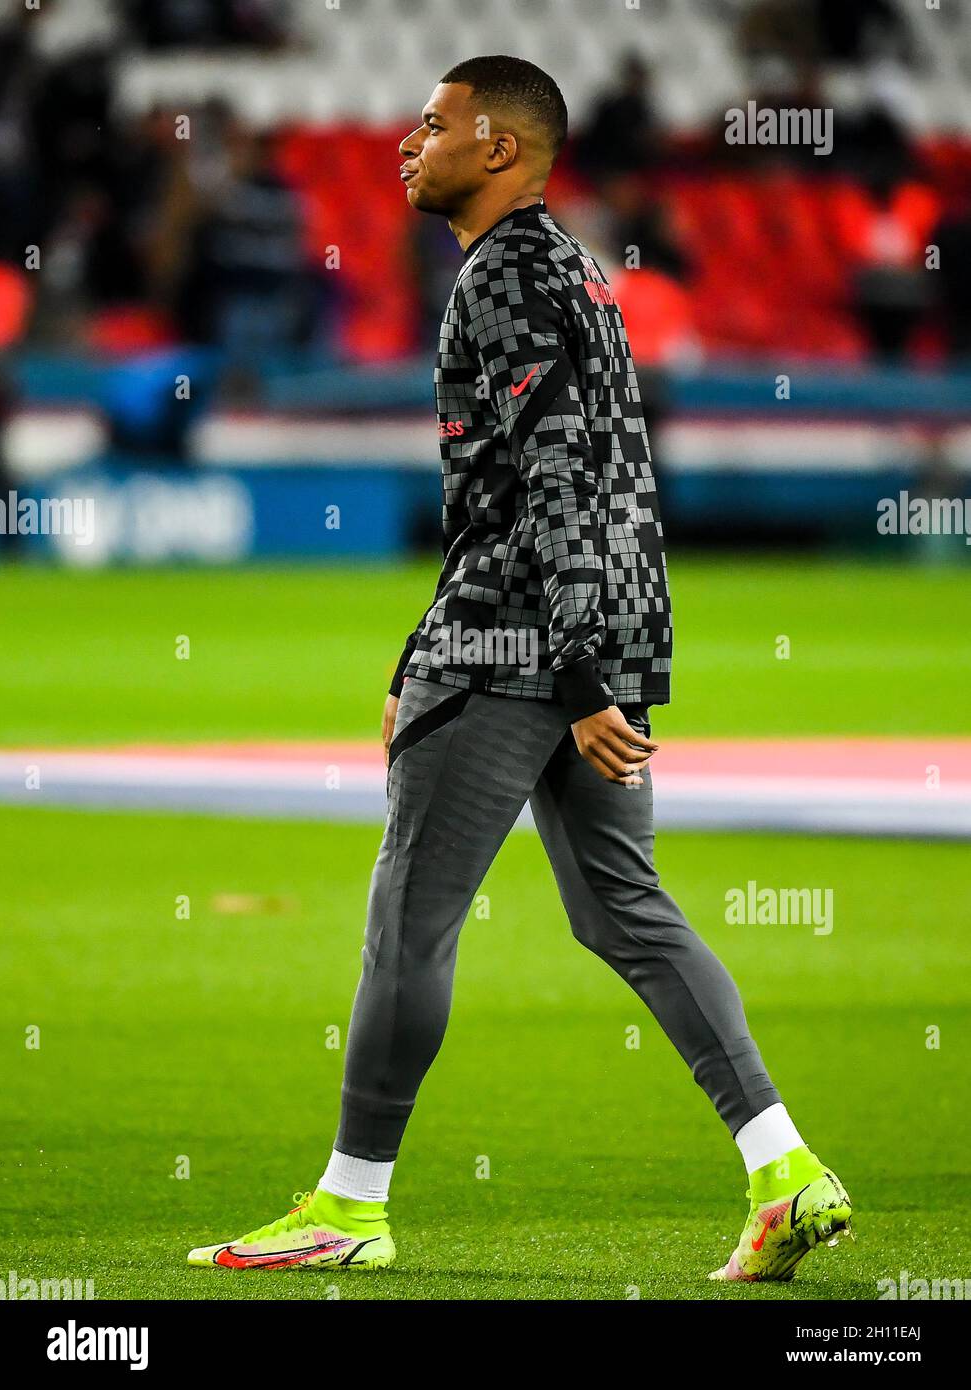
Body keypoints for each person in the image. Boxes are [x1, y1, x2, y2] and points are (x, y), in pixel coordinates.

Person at [188, 55, 852, 1284]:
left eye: (433, 126)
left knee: (407, 921)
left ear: (498, 148)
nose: (405, 142)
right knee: (623, 906)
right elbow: (572, 481)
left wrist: (577, 679)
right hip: (591, 623)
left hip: (518, 640)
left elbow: (547, 484)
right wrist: (590, 665)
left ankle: (349, 1203)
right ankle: (783, 1167)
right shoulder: (577, 271)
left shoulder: (498, 280)